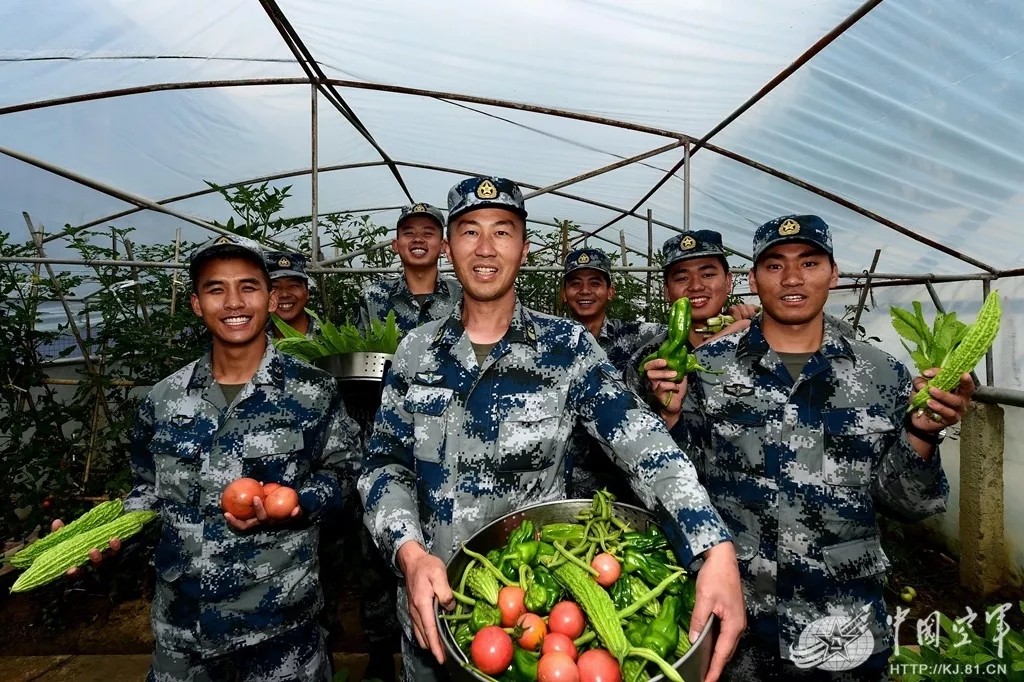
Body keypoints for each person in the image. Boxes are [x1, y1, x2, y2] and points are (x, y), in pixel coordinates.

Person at [358, 176, 746, 682]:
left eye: (502, 231)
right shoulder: (416, 350)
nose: (485, 248)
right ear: (449, 245)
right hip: (434, 617)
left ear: (524, 246)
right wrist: (409, 554)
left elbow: (642, 441)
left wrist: (712, 545)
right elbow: (383, 465)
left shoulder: (565, 348)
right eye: (470, 231)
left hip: (533, 627)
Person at [645, 215, 972, 681]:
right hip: (739, 620)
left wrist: (921, 430)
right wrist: (671, 417)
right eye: (775, 266)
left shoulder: (882, 376)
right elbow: (681, 485)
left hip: (842, 624)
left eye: (810, 262)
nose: (793, 278)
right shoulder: (708, 369)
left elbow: (909, 504)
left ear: (834, 274)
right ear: (754, 280)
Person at [61, 234, 362, 681]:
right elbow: (147, 491)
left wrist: (300, 501)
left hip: (280, 629)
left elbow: (346, 472)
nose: (234, 302)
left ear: (271, 296)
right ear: (197, 304)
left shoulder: (312, 392)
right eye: (216, 289)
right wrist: (107, 537)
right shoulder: (163, 400)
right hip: (183, 633)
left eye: (248, 286)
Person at [560, 246, 661, 500]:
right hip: (567, 483)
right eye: (575, 284)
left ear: (610, 292)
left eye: (595, 283)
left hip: (623, 484)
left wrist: (736, 318)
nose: (584, 291)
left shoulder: (636, 336)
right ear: (564, 294)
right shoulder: (551, 342)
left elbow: (689, 330)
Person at [624, 230, 758, 402]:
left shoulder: (756, 340)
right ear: (666, 291)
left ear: (728, 282)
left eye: (708, 275)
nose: (696, 286)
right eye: (682, 278)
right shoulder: (649, 359)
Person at [355, 203, 462, 335]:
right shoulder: (372, 297)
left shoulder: (461, 296)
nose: (418, 239)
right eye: (409, 233)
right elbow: (360, 351)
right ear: (396, 245)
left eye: (428, 233)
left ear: (443, 246)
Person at [264, 251, 319, 337]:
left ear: (307, 292)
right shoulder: (255, 341)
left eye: (293, 286)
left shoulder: (331, 339)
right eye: (275, 287)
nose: (285, 294)